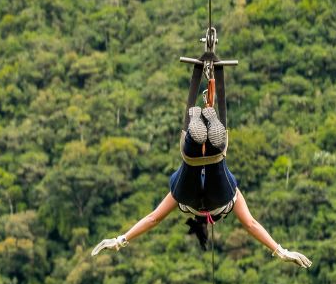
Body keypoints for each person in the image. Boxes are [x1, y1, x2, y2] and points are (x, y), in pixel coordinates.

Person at [92, 104, 312, 267]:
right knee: (192, 164)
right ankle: (195, 141)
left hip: (213, 197)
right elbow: (251, 225)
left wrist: (121, 240)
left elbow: (153, 218)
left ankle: (209, 142)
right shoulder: (207, 206)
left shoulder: (225, 206)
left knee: (215, 163)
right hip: (194, 197)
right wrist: (280, 251)